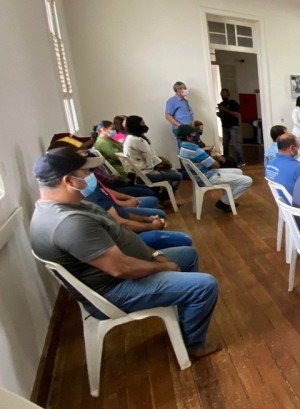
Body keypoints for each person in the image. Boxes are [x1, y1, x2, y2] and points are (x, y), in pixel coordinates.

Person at [29, 147, 220, 359]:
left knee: (187, 254)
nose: (90, 177)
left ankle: (184, 313)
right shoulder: (70, 224)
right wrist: (164, 266)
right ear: (69, 181)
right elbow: (120, 269)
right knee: (205, 285)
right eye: (84, 173)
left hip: (125, 273)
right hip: (114, 291)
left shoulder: (69, 206)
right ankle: (192, 344)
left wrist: (156, 255)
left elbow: (121, 233)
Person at [84, 180, 193, 250]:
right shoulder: (91, 195)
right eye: (83, 170)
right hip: (124, 240)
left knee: (156, 208)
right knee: (184, 240)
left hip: (125, 231)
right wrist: (152, 226)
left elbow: (122, 214)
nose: (88, 173)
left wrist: (148, 219)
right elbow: (121, 222)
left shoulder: (92, 187)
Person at [177, 125, 253, 213]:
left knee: (238, 171)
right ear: (188, 137)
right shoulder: (195, 150)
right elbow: (216, 165)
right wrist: (215, 157)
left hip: (201, 176)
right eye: (194, 133)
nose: (196, 135)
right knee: (247, 180)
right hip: (208, 177)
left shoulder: (183, 148)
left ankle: (228, 201)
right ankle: (224, 202)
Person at [122, 115, 183, 203]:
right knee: (178, 176)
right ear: (136, 126)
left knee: (172, 171)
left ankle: (162, 196)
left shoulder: (129, 138)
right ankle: (165, 197)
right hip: (145, 173)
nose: (145, 125)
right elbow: (151, 160)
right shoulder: (138, 141)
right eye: (142, 123)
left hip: (137, 172)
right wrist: (163, 163)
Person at [217, 88, 245, 167]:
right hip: (224, 126)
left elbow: (237, 114)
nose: (223, 95)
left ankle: (241, 161)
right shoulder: (222, 104)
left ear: (228, 94)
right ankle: (226, 161)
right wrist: (219, 113)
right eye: (221, 94)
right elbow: (223, 115)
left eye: (224, 94)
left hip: (233, 126)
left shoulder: (233, 103)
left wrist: (224, 109)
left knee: (236, 144)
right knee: (225, 144)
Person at [165, 81, 194, 147]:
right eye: (184, 88)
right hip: (180, 128)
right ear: (178, 89)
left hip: (189, 128)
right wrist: (180, 125)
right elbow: (168, 115)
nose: (186, 90)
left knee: (190, 148)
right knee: (184, 148)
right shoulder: (172, 101)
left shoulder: (185, 101)